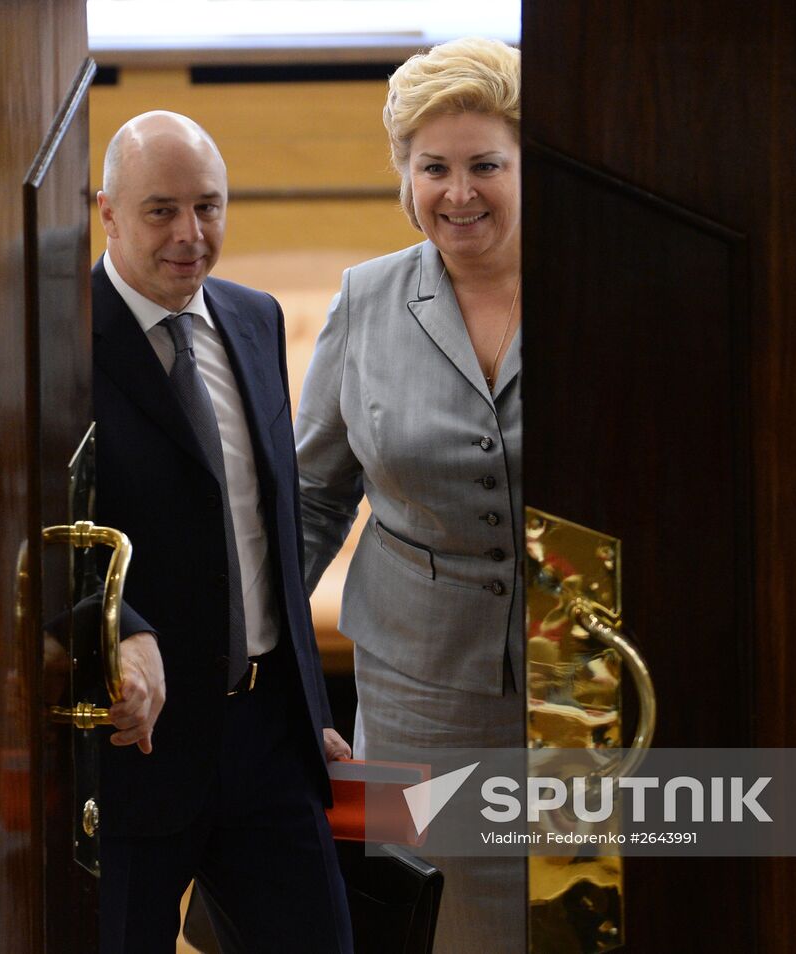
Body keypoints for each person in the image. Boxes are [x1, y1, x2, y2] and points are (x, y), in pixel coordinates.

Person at [90, 110, 354, 954]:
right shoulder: (51, 334)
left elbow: (266, 523)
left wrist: (303, 700)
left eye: (209, 207)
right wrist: (122, 631)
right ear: (108, 213)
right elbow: (29, 533)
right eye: (161, 210)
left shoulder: (254, 317)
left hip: (271, 740)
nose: (190, 235)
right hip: (137, 748)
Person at [294, 37, 525, 952]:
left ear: (527, 167)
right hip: (411, 693)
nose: (458, 192)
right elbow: (311, 498)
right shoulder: (366, 300)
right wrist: (277, 682)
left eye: (485, 165)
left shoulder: (602, 287)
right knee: (413, 929)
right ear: (406, 176)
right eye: (435, 168)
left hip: (579, 688)